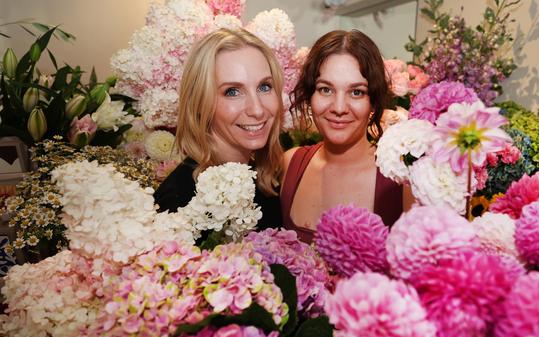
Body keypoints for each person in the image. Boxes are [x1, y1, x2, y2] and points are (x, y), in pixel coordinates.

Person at [281, 30, 413, 243]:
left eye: (356, 92)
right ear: (309, 94)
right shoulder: (289, 165)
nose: (339, 108)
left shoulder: (400, 181)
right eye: (325, 89)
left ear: (373, 101)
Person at [154, 28, 283, 230]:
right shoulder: (182, 205)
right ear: (199, 102)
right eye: (232, 92)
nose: (257, 110)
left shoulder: (264, 180)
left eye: (264, 87)